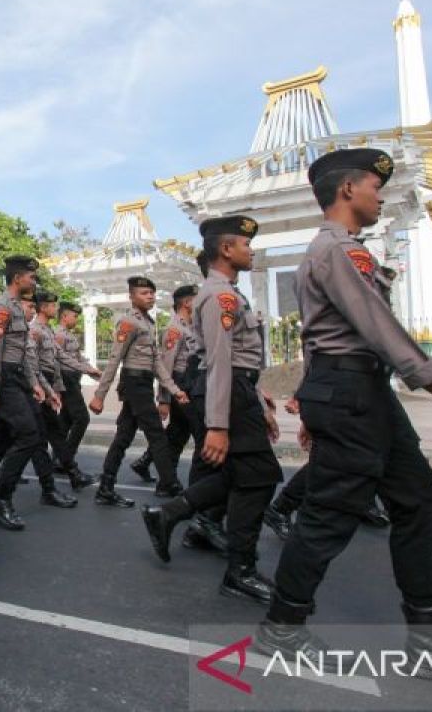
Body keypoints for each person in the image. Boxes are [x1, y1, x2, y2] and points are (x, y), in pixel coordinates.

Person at [254, 148, 432, 687]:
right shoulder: (338, 251)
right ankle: (282, 626)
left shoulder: (344, 252)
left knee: (419, 504)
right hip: (352, 391)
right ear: (348, 189)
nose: (380, 195)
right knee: (329, 514)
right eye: (374, 186)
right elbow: (376, 327)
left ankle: (431, 640)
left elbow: (330, 337)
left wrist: (312, 398)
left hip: (360, 390)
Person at [142, 217, 283, 604]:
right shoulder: (218, 297)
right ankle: (240, 570)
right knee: (259, 475)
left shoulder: (229, 294)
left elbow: (238, 361)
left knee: (243, 473)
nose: (250, 250)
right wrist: (218, 424)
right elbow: (220, 362)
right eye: (244, 244)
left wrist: (259, 402)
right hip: (227, 392)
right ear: (225, 250)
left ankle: (169, 514)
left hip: (237, 390)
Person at [0, 258, 77, 531]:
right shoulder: (0, 307)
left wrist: (36, 384)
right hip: (5, 381)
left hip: (18, 378)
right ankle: (1, 497)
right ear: (18, 278)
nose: (34, 282)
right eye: (31, 277)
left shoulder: (16, 310)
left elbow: (22, 355)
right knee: (29, 435)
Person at [89, 277, 188, 506]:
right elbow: (115, 359)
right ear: (132, 297)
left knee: (123, 436)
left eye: (152, 293)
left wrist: (174, 390)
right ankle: (171, 484)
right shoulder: (128, 322)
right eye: (144, 293)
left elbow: (156, 363)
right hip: (134, 384)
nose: (150, 297)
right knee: (157, 435)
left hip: (143, 384)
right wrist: (99, 395)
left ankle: (105, 487)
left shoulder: (149, 323)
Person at [33, 291, 94, 490]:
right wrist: (52, 388)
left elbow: (64, 359)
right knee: (34, 434)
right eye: (52, 306)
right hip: (45, 383)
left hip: (55, 383)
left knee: (56, 429)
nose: (56, 309)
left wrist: (89, 370)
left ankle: (64, 471)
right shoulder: (47, 332)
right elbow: (44, 364)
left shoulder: (51, 331)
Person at [157, 284, 205, 490]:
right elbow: (165, 367)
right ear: (187, 303)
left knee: (178, 434)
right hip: (180, 384)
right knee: (200, 434)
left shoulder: (191, 327)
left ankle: (166, 482)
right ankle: (196, 487)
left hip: (191, 383)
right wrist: (164, 399)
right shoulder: (174, 330)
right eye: (197, 299)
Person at [52, 301, 100, 489]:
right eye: (74, 315)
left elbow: (77, 359)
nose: (76, 318)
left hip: (73, 379)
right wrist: (56, 385)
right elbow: (56, 361)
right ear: (64, 316)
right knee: (82, 418)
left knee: (65, 422)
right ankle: (66, 458)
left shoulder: (70, 335)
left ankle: (58, 458)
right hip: (66, 380)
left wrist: (90, 370)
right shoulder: (59, 335)